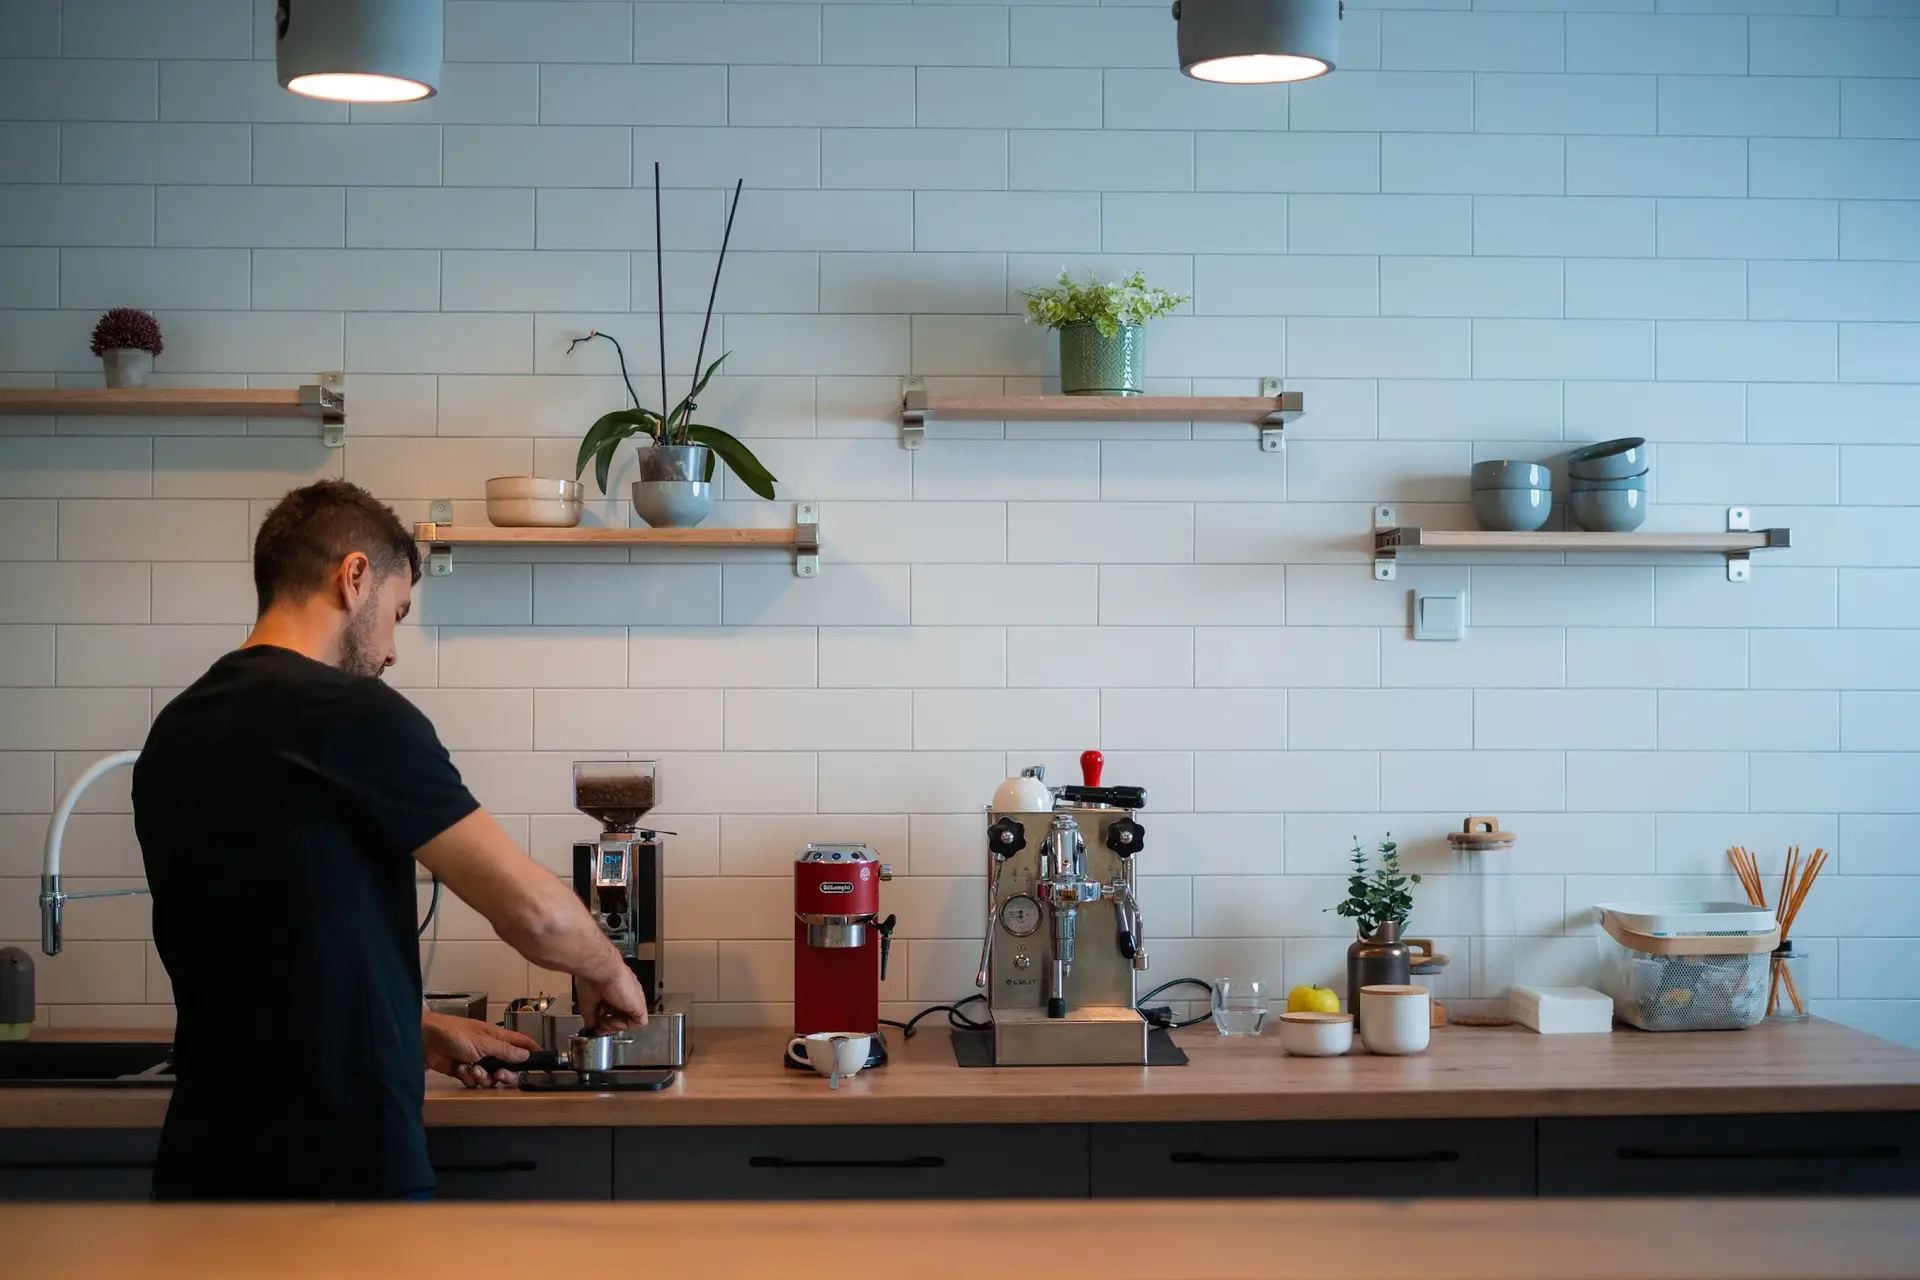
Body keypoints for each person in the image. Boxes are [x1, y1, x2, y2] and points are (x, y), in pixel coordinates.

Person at [132, 479, 649, 1201]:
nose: (393, 650)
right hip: (339, 1163)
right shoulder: (352, 714)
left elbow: (268, 962)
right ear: (353, 577)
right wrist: (608, 970)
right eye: (398, 614)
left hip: (204, 1159)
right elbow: (533, 913)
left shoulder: (176, 731)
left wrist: (415, 1031)